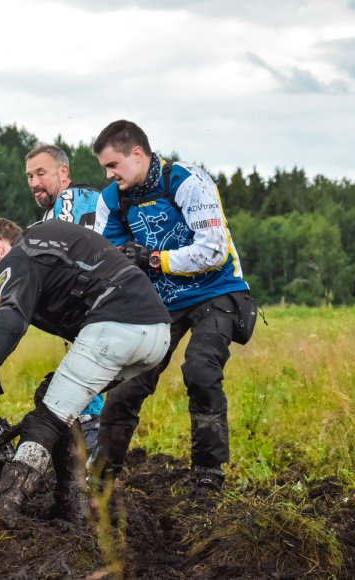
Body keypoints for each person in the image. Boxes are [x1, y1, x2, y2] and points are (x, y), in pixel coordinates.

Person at [0, 217, 172, 525]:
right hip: (155, 335)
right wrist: (0, 298)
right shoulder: (42, 243)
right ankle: (71, 503)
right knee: (52, 397)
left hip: (117, 325)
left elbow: (12, 321)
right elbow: (60, 280)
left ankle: (3, 514)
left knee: (44, 421)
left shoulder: (17, 256)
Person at [91, 119, 256, 497]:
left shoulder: (187, 181)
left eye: (114, 165)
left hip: (217, 292)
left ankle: (208, 474)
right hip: (161, 304)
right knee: (127, 385)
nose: (109, 174)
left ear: (137, 154)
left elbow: (213, 248)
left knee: (200, 369)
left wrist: (153, 260)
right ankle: (99, 479)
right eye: (105, 168)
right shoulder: (112, 200)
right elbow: (107, 258)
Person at [25, 144, 106, 450]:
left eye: (41, 173)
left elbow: (65, 253)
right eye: (30, 176)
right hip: (98, 305)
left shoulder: (73, 198)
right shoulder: (52, 212)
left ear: (63, 172)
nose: (34, 183)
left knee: (88, 379)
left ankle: (92, 453)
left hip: (102, 303)